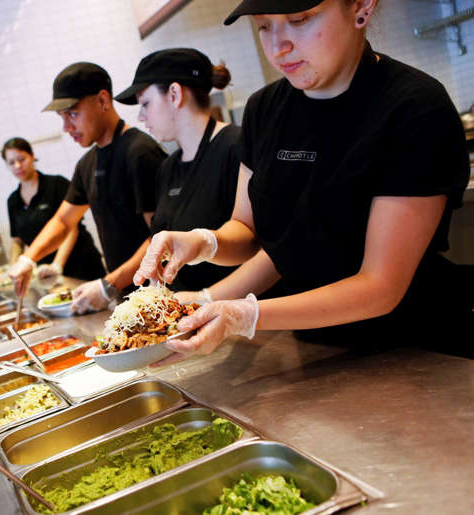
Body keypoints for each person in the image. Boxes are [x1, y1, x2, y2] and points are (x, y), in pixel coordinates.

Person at [133, 0, 471, 362]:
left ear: (360, 7)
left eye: (299, 20)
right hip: (317, 351)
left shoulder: (412, 107)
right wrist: (202, 243)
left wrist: (246, 315)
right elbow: (249, 232)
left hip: (417, 349)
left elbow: (380, 286)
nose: (279, 46)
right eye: (264, 26)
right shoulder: (264, 110)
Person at [8, 62, 166, 308]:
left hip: (163, 294)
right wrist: (28, 259)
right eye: (62, 118)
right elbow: (63, 221)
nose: (66, 128)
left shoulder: (140, 153)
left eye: (72, 114)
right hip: (129, 300)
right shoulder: (87, 164)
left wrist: (109, 284)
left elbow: (161, 237)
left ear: (103, 100)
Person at [105, 47, 241, 300]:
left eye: (146, 103)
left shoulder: (237, 146)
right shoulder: (169, 167)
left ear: (175, 94)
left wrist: (205, 299)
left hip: (244, 317)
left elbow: (261, 247)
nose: (141, 116)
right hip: (187, 316)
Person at [3, 137, 105, 281]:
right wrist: (15, 267)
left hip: (80, 265)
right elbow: (17, 241)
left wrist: (57, 265)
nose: (18, 166)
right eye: (11, 163)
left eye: (22, 159)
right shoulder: (13, 201)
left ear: (32, 156)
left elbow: (70, 226)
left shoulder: (57, 184)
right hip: (45, 274)